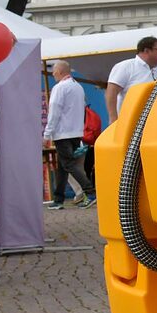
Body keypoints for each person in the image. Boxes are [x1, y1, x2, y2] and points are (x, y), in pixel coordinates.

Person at [45, 60, 96, 210]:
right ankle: (58, 199)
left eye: (54, 71)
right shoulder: (78, 87)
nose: (53, 73)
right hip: (76, 132)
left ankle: (90, 192)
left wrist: (47, 134)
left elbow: (54, 112)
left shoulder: (59, 88)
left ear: (60, 72)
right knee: (63, 166)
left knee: (68, 165)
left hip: (62, 133)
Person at [106, 37, 157, 124]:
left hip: (154, 123)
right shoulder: (126, 67)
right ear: (146, 51)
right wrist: (113, 119)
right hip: (130, 124)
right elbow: (111, 93)